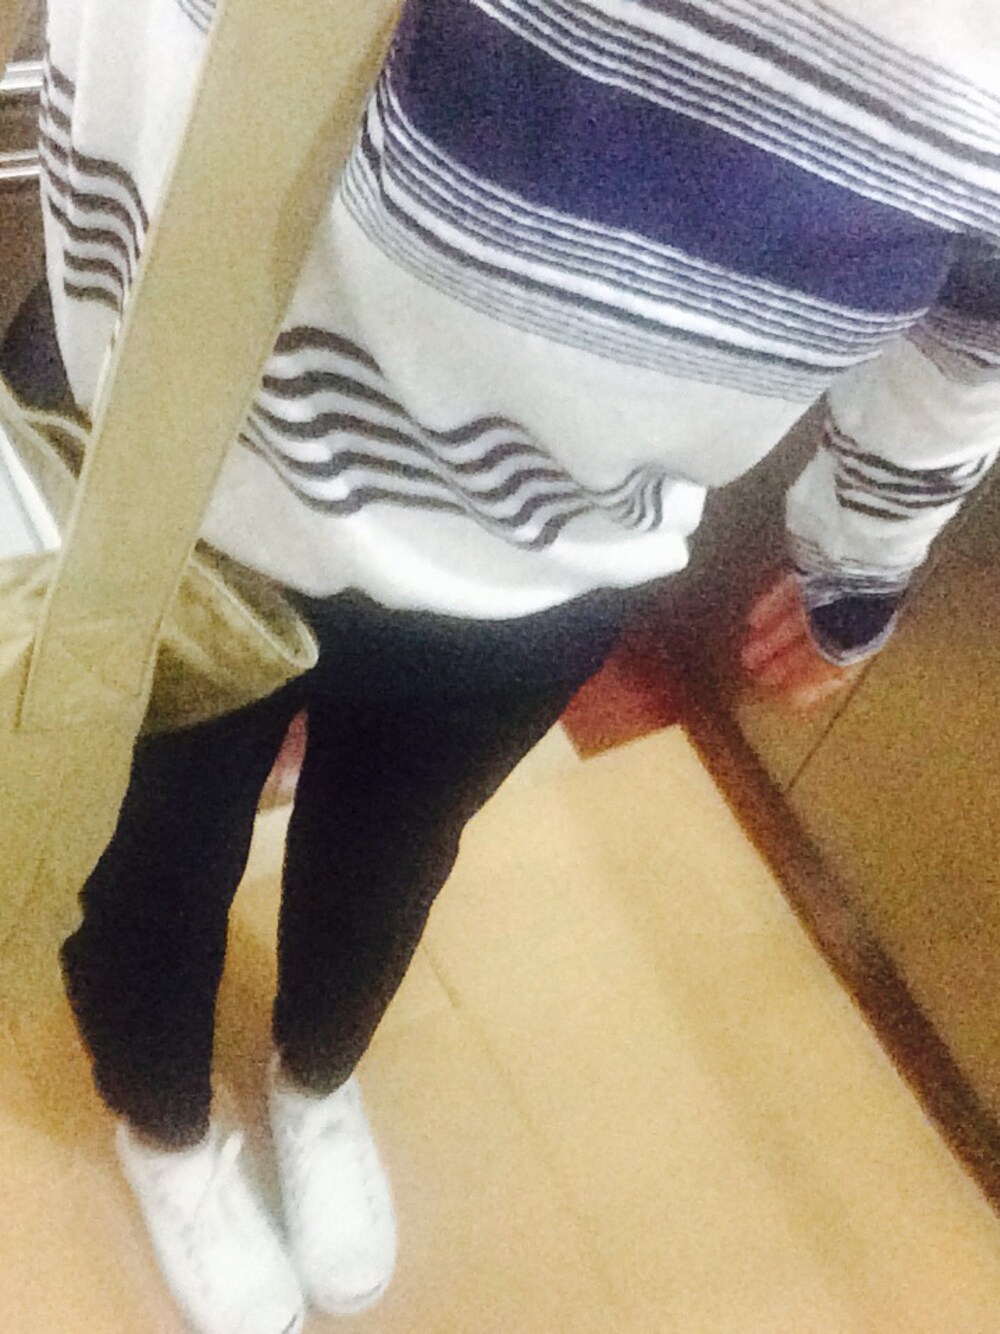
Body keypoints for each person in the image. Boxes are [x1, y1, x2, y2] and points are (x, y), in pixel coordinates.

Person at [17, 0, 999, 1331]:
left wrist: (862, 561)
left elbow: (968, 337)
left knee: (393, 850)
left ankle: (317, 1074)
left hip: (537, 547)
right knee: (138, 858)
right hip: (161, 445)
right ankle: (169, 1130)